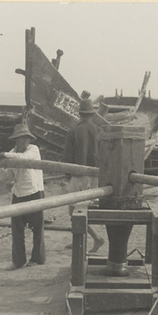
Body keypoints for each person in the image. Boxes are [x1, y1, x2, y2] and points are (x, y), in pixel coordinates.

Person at [0, 124, 46, 270]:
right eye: (20, 139)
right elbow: (8, 176)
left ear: (29, 139)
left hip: (34, 192)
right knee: (17, 229)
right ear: (16, 140)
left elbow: (24, 159)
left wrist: (3, 156)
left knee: (37, 228)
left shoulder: (33, 150)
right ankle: (18, 261)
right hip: (18, 193)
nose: (23, 141)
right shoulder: (12, 152)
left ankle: (37, 258)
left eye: (26, 138)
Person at [62, 98, 104, 253]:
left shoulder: (73, 132)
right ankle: (83, 238)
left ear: (79, 114)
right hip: (94, 175)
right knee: (85, 209)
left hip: (79, 174)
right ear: (92, 115)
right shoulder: (98, 130)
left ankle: (95, 238)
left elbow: (67, 156)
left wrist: (67, 175)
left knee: (73, 211)